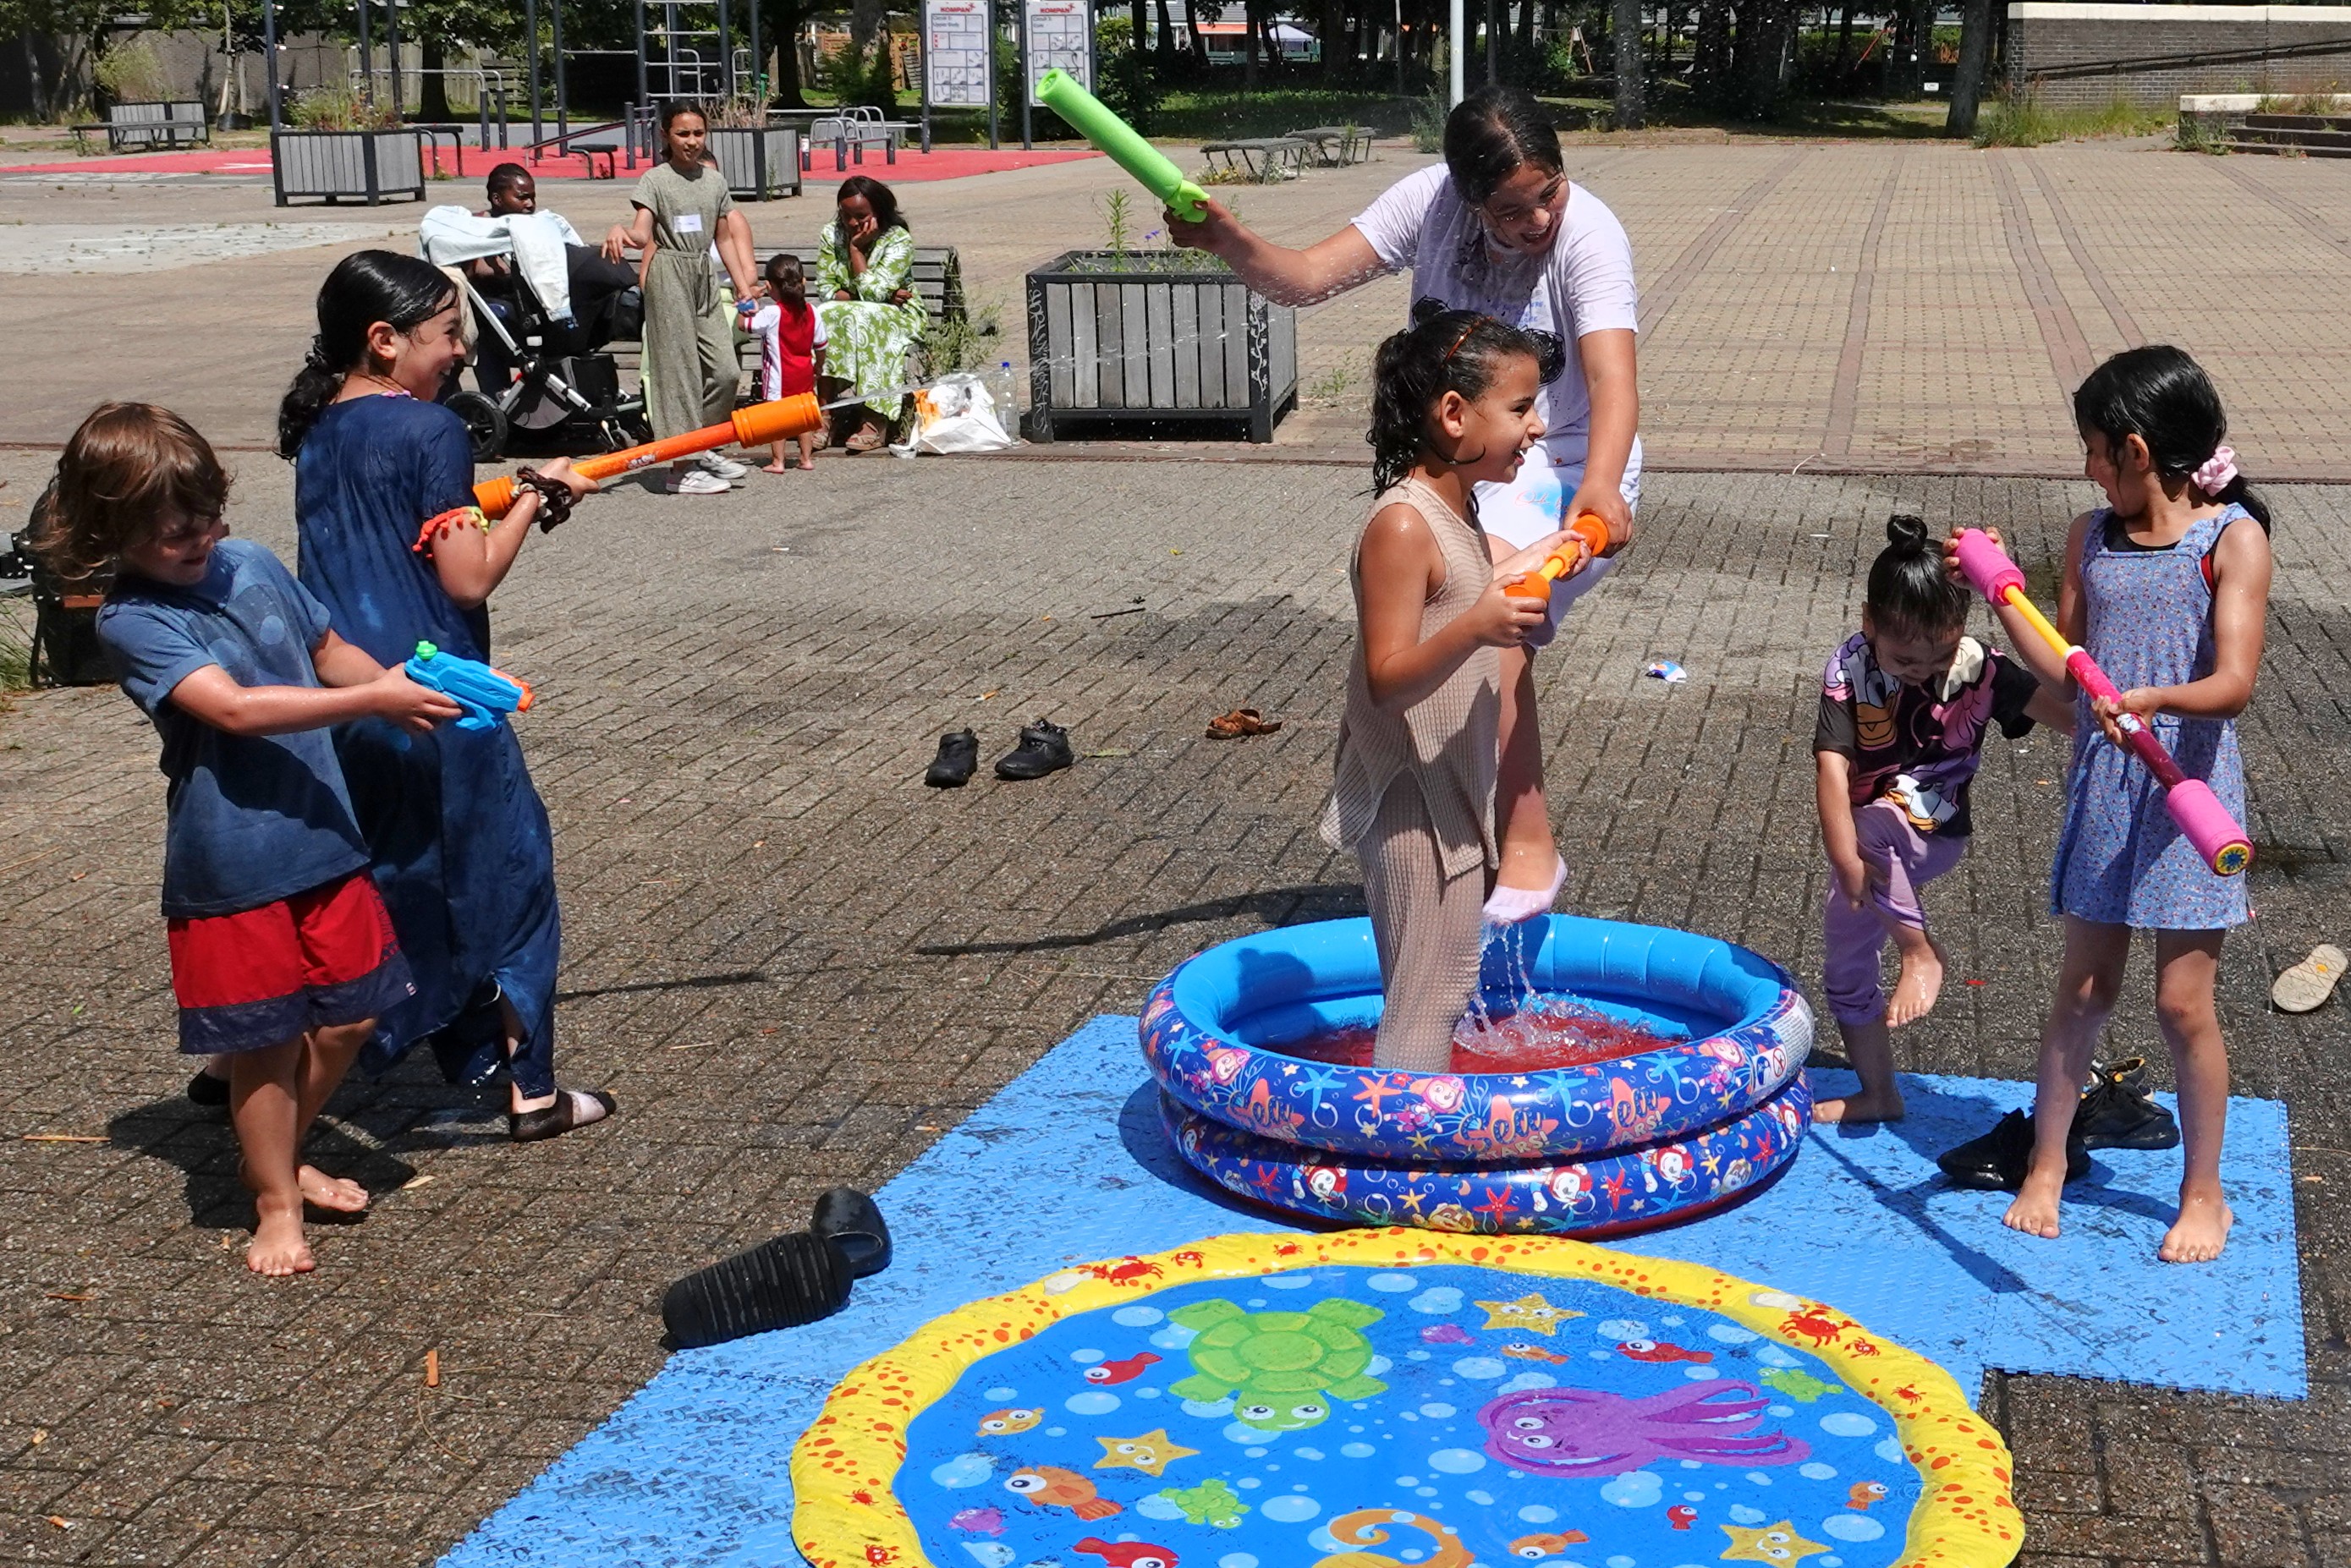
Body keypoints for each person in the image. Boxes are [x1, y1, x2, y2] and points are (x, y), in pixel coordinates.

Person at [1170, 85, 1640, 928]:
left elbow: (1611, 379)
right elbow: (1305, 279)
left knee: (1498, 613)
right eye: (1510, 209)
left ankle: (1527, 840)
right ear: (1466, 196)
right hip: (1462, 464)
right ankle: (1428, 822)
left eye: (1548, 192)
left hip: (1565, 462)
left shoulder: (1589, 234)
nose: (1537, 220)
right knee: (1424, 632)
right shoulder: (1428, 204)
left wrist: (1601, 485)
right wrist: (1229, 239)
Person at [40, 402, 459, 1274]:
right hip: (232, 862)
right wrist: (372, 701)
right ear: (110, 533)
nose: (199, 540)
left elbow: (328, 647)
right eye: (172, 534)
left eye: (207, 518)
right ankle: (274, 1198)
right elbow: (232, 709)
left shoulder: (253, 563)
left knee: (355, 1014)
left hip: (325, 836)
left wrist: (401, 692)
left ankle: (279, 1152)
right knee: (266, 1039)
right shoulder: (132, 620)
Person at [277, 249, 614, 1143]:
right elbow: (466, 580)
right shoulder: (431, 430)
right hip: (440, 697)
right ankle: (530, 1089)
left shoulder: (315, 432)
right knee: (509, 877)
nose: (462, 350)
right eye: (448, 333)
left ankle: (260, 1058)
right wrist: (534, 501)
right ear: (384, 340)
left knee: (389, 879)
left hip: (350, 699)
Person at [1971, 345, 2272, 1264]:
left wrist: (2151, 699)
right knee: (2083, 989)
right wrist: (1995, 595)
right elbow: (2065, 665)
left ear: (2136, 450)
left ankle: (2204, 1191)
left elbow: (2232, 683)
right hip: (2107, 786)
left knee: (2183, 1005)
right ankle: (2047, 1163)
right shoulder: (2089, 537)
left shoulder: (2230, 540)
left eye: (2094, 450)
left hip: (2190, 798)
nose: (2088, 468)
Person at [1319, 304, 1576, 1072]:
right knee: (1426, 996)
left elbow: (1458, 593)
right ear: (1455, 414)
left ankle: (1410, 1119)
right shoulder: (1401, 525)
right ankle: (1399, 1136)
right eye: (1521, 408)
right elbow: (1386, 678)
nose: (1536, 428)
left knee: (1440, 983)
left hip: (1447, 785)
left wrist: (1536, 558)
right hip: (1410, 796)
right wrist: (1476, 628)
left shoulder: (1455, 506)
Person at [1811, 516, 2071, 1126]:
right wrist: (1844, 861)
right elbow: (1830, 768)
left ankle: (1920, 951)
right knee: (1843, 968)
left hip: (1932, 830)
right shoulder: (1850, 667)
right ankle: (1879, 1093)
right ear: (1868, 622)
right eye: (1904, 657)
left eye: (1940, 655)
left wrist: (2120, 718)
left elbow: (2071, 714)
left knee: (1870, 826)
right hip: (1869, 848)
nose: (1921, 670)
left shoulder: (1981, 666)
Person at [601, 102, 761, 495]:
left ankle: (700, 444)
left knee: (725, 371)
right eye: (682, 134)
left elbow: (724, 238)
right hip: (669, 273)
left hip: (703, 274)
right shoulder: (655, 180)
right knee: (680, 372)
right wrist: (619, 230)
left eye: (698, 133)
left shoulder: (714, 182)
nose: (691, 141)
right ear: (665, 136)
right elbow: (642, 234)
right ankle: (680, 469)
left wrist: (742, 287)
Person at [478, 162, 640, 350]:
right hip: (519, 304)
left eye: (532, 197)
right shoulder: (478, 228)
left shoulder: (544, 222)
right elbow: (479, 271)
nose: (530, 204)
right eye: (522, 198)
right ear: (497, 199)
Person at [816, 175, 925, 453]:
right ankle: (824, 414)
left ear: (879, 211)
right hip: (850, 316)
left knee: (866, 318)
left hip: (900, 317)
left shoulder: (898, 239)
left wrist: (856, 251)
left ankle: (875, 419)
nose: (852, 223)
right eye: (846, 215)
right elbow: (827, 290)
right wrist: (878, 296)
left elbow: (874, 297)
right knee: (826, 315)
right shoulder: (831, 234)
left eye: (861, 216)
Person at [743, 251, 827, 473]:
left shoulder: (772, 313)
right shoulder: (812, 311)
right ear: (803, 282)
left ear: (769, 286)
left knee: (777, 420)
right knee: (804, 418)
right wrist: (818, 366)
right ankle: (806, 458)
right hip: (804, 375)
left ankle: (778, 461)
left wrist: (746, 299)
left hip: (779, 379)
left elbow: (745, 325)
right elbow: (821, 345)